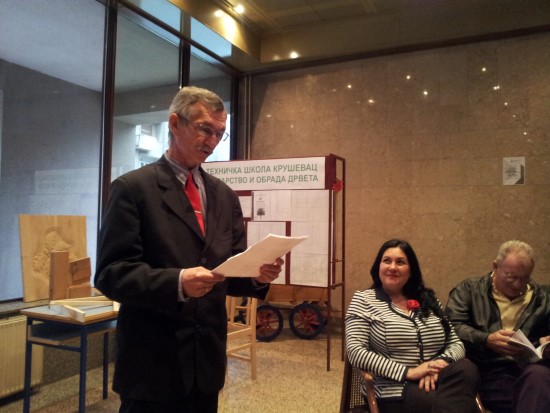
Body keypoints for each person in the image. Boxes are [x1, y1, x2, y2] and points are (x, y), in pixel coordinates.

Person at [94, 86, 283, 413]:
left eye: (220, 133)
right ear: (174, 123)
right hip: (152, 362)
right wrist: (178, 282)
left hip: (206, 361)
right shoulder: (133, 189)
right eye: (204, 129)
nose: (212, 141)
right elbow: (111, 274)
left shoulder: (223, 195)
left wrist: (257, 275)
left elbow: (230, 267)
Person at [345, 239, 480, 413]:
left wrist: (435, 365)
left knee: (467, 369)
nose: (393, 267)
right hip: (392, 389)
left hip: (437, 379)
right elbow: (355, 352)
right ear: (378, 267)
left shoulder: (429, 300)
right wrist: (410, 372)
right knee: (459, 404)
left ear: (411, 271)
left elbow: (455, 343)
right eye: (387, 261)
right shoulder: (363, 300)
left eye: (400, 262)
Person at [446, 240, 550, 413]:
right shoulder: (469, 290)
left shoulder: (545, 298)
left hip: (532, 369)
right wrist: (485, 339)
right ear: (495, 266)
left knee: (538, 377)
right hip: (490, 369)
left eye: (525, 278)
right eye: (511, 276)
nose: (518, 284)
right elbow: (451, 327)